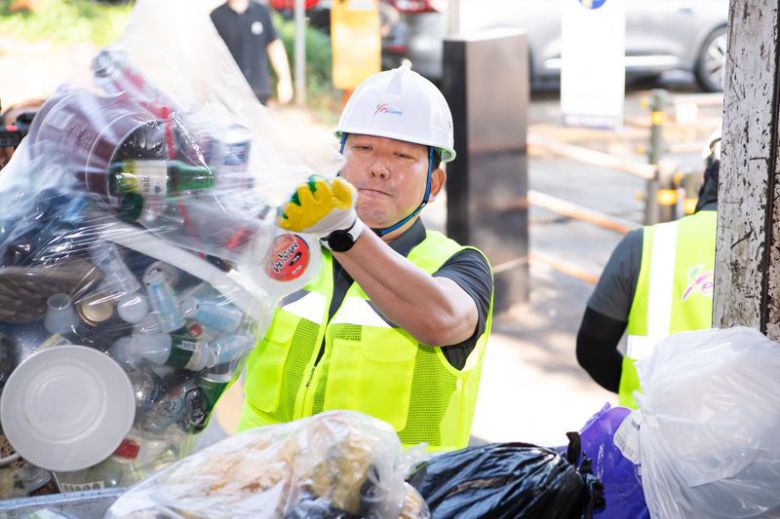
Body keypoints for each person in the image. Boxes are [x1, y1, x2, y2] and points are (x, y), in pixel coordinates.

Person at [238, 64, 494, 451]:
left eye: (403, 156)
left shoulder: (459, 265)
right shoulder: (289, 246)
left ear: (435, 184)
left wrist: (345, 232)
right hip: (261, 492)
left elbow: (442, 320)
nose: (378, 168)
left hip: (395, 502)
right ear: (337, 159)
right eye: (363, 148)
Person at [576, 129, 721, 408]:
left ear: (707, 178)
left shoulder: (643, 245)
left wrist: (640, 389)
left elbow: (592, 350)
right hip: (753, 439)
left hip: (647, 432)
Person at [210, 0, 293, 105]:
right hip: (228, 93)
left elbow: (274, 45)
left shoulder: (261, 12)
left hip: (258, 90)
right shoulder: (216, 16)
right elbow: (210, 56)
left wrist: (284, 79)